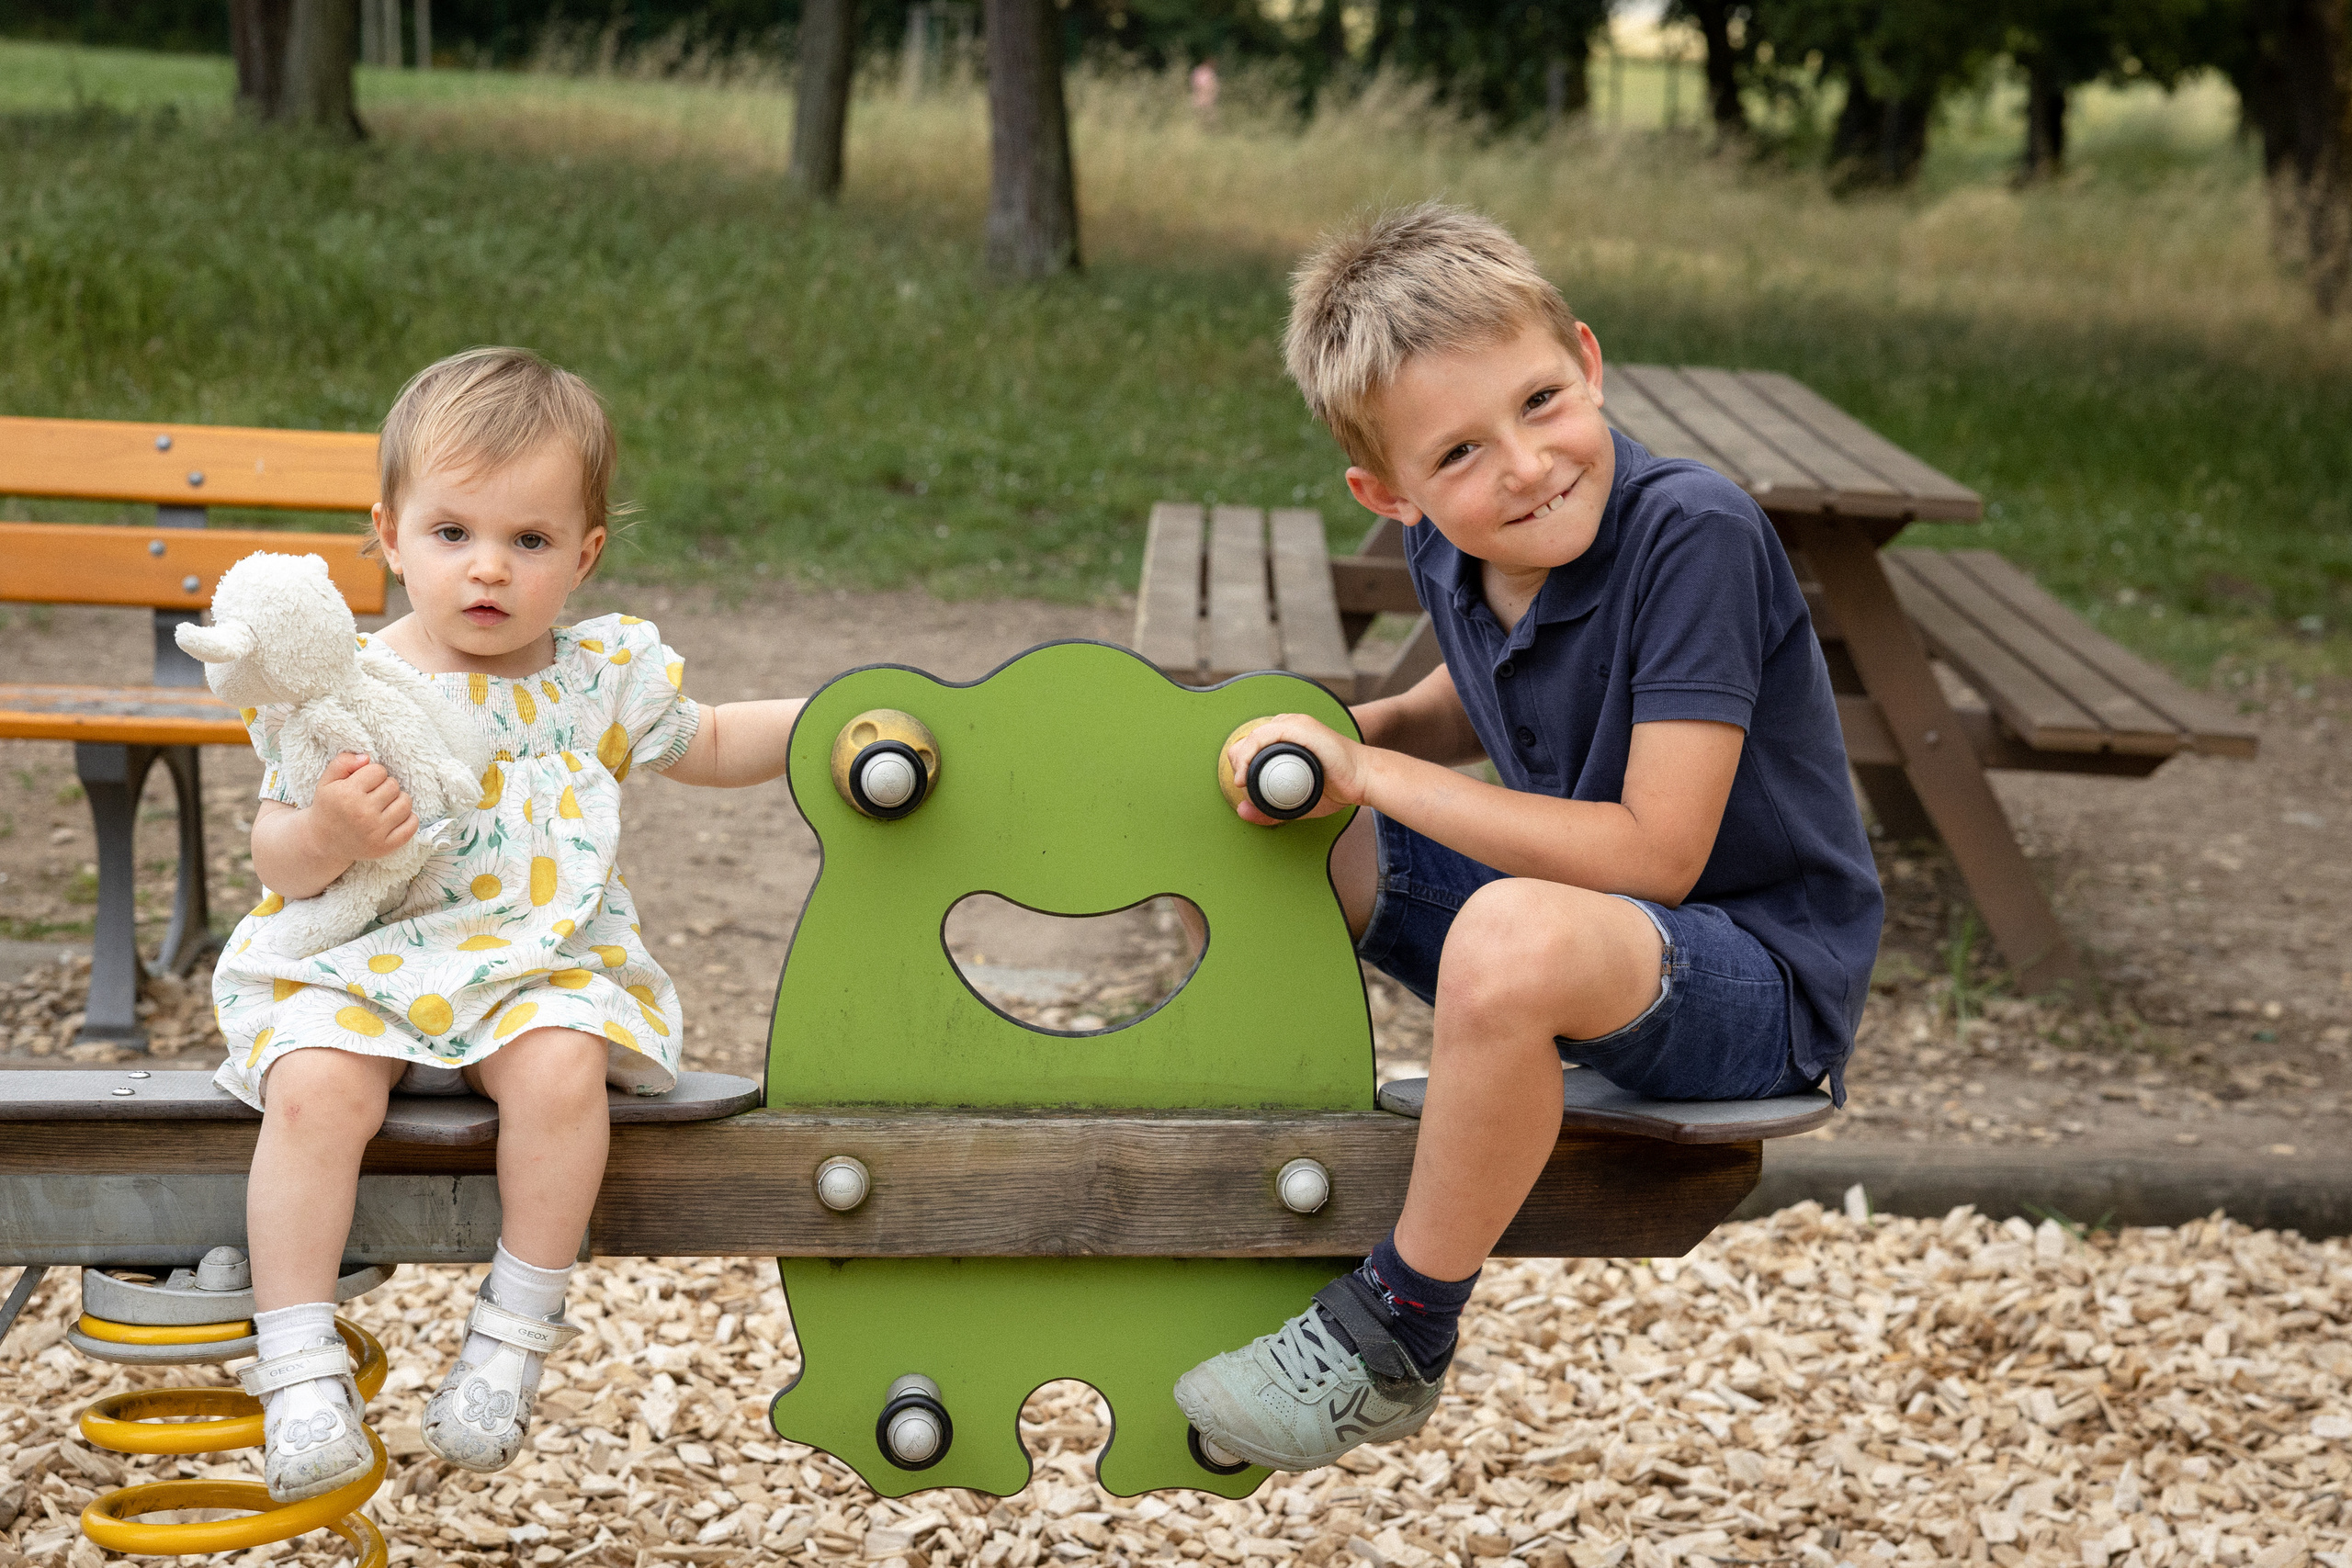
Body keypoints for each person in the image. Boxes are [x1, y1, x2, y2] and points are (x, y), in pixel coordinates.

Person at [1172, 206, 1882, 1471]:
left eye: (1543, 402)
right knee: (1282, 825)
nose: (1522, 465)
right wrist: (1360, 730)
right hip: (1600, 944)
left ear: (1591, 362)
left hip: (1751, 985)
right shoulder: (1463, 554)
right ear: (1391, 495)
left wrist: (1378, 768)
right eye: (1456, 454)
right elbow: (1483, 689)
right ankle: (1234, 1152)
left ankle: (1397, 1330)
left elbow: (1655, 854)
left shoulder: (1692, 535)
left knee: (1502, 921)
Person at [209, 347, 806, 1502]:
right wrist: (331, 829)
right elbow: (274, 856)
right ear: (389, 533)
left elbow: (716, 739)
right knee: (315, 1088)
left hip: (532, 959)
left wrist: (836, 715)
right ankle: (295, 1364)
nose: (488, 569)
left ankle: (513, 1331)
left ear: (582, 554)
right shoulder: (350, 687)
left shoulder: (599, 677)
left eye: (528, 543)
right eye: (452, 534)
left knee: (563, 1067)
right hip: (365, 959)